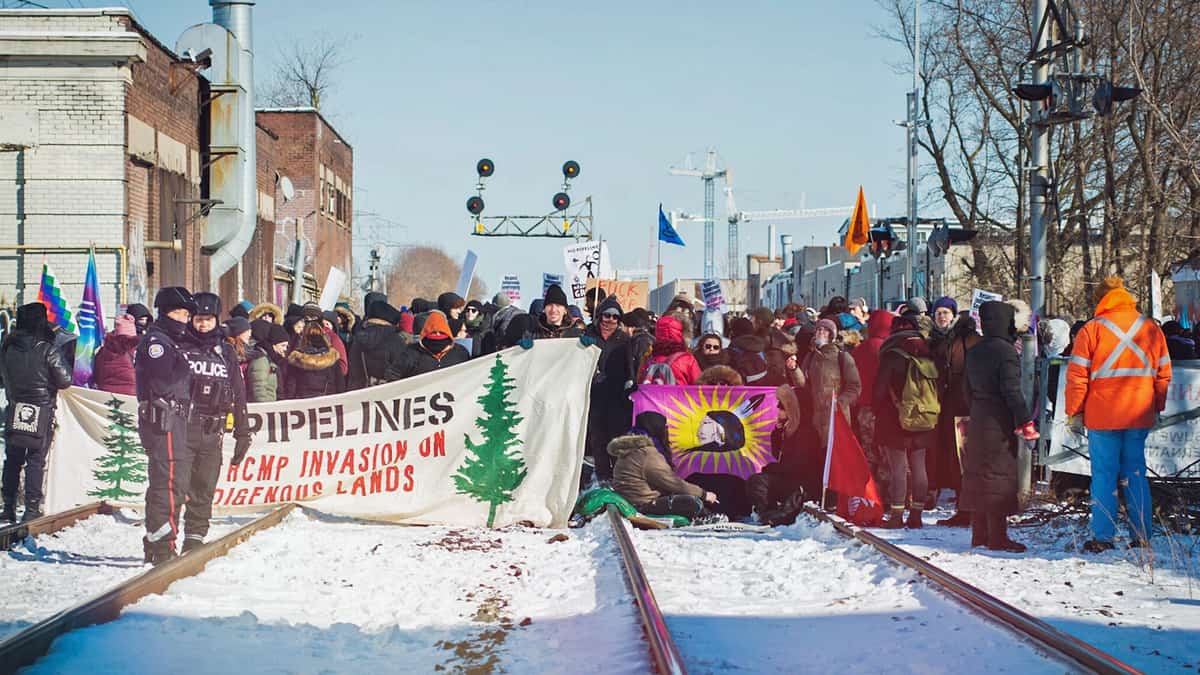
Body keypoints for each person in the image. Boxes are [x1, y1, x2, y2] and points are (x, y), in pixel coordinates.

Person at [1065, 276, 1171, 552]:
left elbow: (1077, 377)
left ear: (1102, 299)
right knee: (1135, 473)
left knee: (1103, 475)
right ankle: (1142, 536)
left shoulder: (1091, 330)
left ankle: (1103, 536)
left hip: (1103, 415)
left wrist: (1074, 412)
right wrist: (1157, 406)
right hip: (1138, 413)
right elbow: (1163, 373)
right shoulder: (1150, 328)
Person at [961, 301, 1038, 552]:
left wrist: (976, 409)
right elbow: (1012, 392)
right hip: (999, 419)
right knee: (999, 477)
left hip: (978, 416)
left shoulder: (974, 350)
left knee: (978, 475)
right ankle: (997, 537)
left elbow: (966, 390)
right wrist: (1025, 420)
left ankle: (979, 534)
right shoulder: (1005, 351)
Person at [179, 293, 251, 553]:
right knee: (178, 483)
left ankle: (195, 536)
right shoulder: (180, 346)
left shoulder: (225, 351)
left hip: (213, 428)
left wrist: (244, 432)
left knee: (204, 485)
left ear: (216, 320)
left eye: (207, 320)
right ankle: (167, 535)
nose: (202, 325)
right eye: (198, 319)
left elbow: (238, 392)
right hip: (182, 426)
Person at [135, 287, 197, 564]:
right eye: (178, 313)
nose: (183, 320)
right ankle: (162, 544)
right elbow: (162, 383)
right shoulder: (157, 343)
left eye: (186, 314)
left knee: (171, 479)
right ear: (165, 312)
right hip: (164, 419)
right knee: (168, 481)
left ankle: (157, 540)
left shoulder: (169, 341)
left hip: (174, 420)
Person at [0, 303, 73, 522]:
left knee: (12, 459)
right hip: (41, 410)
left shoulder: (7, 347)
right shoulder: (48, 349)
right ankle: (31, 509)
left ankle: (9, 506)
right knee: (35, 460)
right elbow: (65, 380)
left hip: (15, 408)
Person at [874, 314, 938, 529]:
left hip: (896, 418)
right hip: (925, 416)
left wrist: (879, 411)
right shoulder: (928, 353)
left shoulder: (892, 354)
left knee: (898, 468)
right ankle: (916, 515)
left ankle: (896, 515)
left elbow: (879, 391)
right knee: (920, 466)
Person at [608, 412, 719, 520]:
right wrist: (704, 494)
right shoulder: (647, 454)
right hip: (643, 505)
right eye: (664, 427)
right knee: (691, 502)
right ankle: (707, 518)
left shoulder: (630, 450)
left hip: (633, 500)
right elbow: (672, 482)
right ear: (656, 429)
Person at [582, 296, 629, 483]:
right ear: (599, 316)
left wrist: (631, 384)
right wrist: (579, 346)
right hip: (595, 396)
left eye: (615, 317)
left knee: (616, 439)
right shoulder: (588, 336)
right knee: (598, 438)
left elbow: (631, 366)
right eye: (606, 315)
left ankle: (619, 478)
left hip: (617, 397)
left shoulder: (624, 339)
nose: (610, 320)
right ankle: (602, 477)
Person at [746, 385, 807, 525]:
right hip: (787, 479)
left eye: (782, 407)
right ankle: (767, 512)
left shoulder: (804, 432)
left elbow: (798, 466)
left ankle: (774, 517)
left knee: (760, 480)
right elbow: (776, 453)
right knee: (756, 481)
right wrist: (777, 434)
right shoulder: (787, 429)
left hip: (799, 485)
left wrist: (773, 468)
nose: (778, 409)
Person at [389, 310, 470, 379]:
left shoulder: (460, 352)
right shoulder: (411, 352)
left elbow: (470, 376)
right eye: (433, 332)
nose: (438, 335)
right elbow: (393, 375)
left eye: (441, 332)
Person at [347, 299, 406, 389]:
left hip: (357, 394)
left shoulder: (356, 339)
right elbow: (403, 372)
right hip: (388, 395)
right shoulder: (396, 341)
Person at [285, 319, 344, 398]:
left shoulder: (297, 359)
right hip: (328, 402)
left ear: (304, 337)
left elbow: (290, 388)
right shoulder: (332, 358)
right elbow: (340, 386)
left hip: (303, 403)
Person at [639, 315, 701, 385]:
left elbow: (641, 383)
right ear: (679, 333)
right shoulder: (687, 359)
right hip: (679, 395)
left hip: (654, 395)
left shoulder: (650, 360)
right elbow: (698, 385)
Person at [93, 313, 139, 396]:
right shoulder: (137, 350)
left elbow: (96, 374)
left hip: (105, 395)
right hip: (130, 396)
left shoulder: (103, 351)